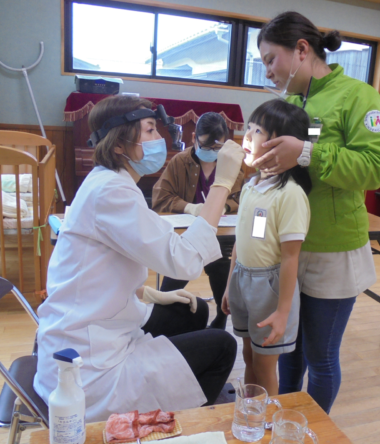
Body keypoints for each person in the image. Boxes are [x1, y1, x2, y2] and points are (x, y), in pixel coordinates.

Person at [34, 95, 245, 422]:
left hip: (103, 322)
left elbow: (99, 268)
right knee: (223, 346)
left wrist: (148, 293)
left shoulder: (111, 183)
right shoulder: (111, 192)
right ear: (119, 144)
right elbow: (185, 260)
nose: (159, 139)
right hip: (88, 363)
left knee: (194, 311)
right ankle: (176, 427)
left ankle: (169, 382)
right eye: (149, 131)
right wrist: (223, 183)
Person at [254, 11, 380, 412]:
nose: (268, 72)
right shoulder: (292, 102)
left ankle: (311, 431)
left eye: (270, 59)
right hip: (290, 247)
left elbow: (376, 169)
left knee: (321, 357)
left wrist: (308, 153)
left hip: (333, 249)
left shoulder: (357, 96)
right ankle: (284, 419)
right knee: (288, 348)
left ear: (301, 49)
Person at [222, 99, 311, 396]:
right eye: (249, 127)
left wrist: (283, 312)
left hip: (268, 287)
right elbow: (241, 239)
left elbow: (290, 258)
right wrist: (230, 284)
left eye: (258, 130)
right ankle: (252, 410)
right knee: (249, 356)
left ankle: (266, 417)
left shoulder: (290, 194)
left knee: (264, 365)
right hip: (242, 278)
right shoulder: (250, 185)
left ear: (281, 143)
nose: (247, 136)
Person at [152, 112, 244, 329]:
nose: (211, 152)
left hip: (219, 236)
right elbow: (161, 198)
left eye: (217, 148)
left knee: (221, 265)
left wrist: (224, 206)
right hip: (185, 238)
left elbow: (241, 197)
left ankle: (221, 318)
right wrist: (190, 207)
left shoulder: (231, 164)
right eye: (205, 146)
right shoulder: (180, 162)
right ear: (194, 137)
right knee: (178, 269)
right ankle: (160, 315)